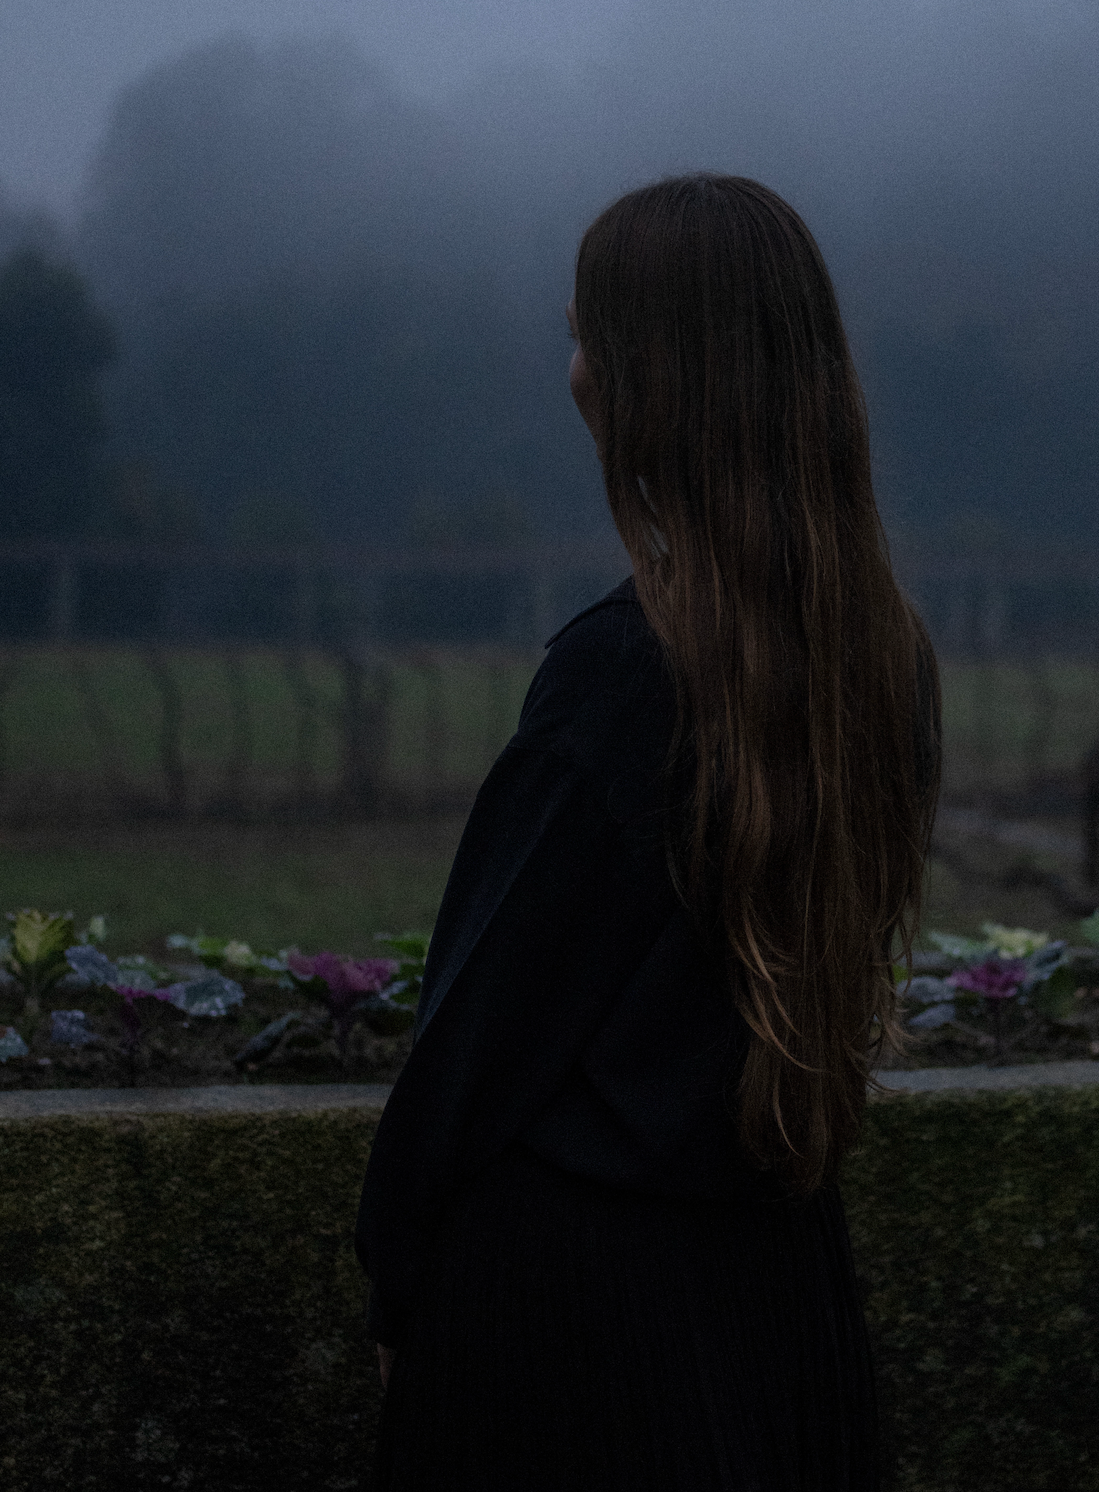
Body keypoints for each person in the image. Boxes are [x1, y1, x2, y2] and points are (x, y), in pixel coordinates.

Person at [355, 173, 941, 1491]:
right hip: (776, 1291)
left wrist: (398, 1276)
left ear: (658, 380)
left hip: (573, 1323)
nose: (574, 375)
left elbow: (484, 1029)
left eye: (591, 339)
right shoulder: (889, 660)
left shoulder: (624, 672)